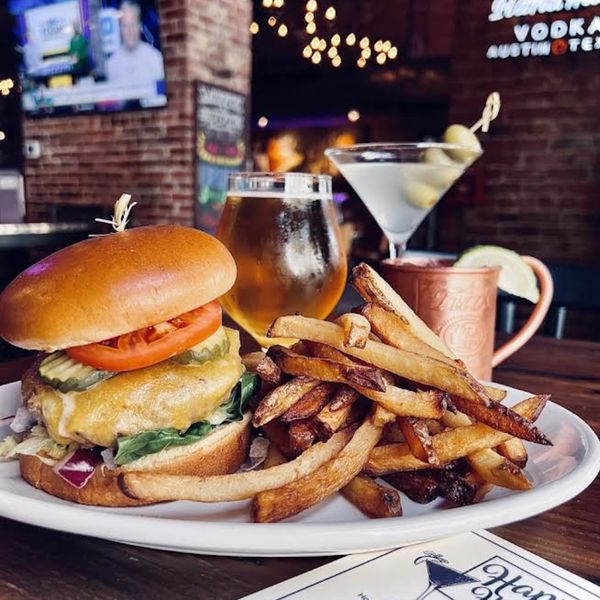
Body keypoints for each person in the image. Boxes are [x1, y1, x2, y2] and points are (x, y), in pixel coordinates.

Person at [105, 0, 164, 85]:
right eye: (125, 26)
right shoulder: (112, 64)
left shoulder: (155, 58)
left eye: (133, 25)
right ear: (120, 28)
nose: (130, 31)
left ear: (139, 26)